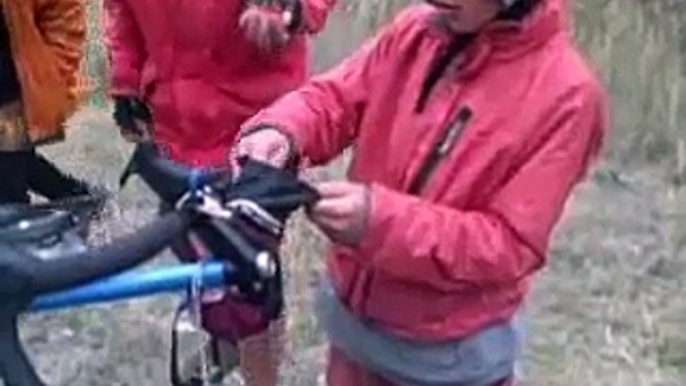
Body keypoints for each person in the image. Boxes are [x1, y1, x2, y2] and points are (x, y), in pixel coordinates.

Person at [233, 0, 610, 385]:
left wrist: (378, 223)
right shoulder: (417, 30)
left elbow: (508, 246)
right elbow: (337, 98)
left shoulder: (568, 97)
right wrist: (284, 130)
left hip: (446, 363)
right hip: (354, 339)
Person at [102, 0, 337, 385]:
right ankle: (221, 349)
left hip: (254, 124)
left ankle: (259, 373)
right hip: (176, 124)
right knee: (199, 260)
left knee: (248, 275)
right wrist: (126, 83)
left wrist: (290, 8)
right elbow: (121, 10)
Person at [0, 0, 105, 211]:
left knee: (8, 193)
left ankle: (73, 198)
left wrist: (54, 69)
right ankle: (76, 195)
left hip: (11, 94)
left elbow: (63, 12)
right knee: (13, 162)